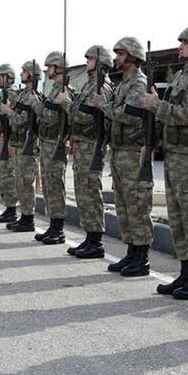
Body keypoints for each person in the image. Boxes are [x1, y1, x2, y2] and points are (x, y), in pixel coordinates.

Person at [143, 24, 188, 299]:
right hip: (176, 156)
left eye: (185, 42)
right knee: (179, 221)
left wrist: (156, 106)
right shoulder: (182, 76)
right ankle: (186, 274)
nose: (180, 46)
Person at [95, 37, 154, 273]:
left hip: (132, 152)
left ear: (132, 56)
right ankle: (131, 252)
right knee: (123, 205)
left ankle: (142, 257)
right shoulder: (124, 83)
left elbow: (130, 116)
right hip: (120, 152)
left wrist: (104, 106)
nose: (117, 58)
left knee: (137, 205)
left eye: (121, 54)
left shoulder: (139, 83)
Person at [60, 46, 114, 258]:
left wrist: (68, 105)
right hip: (82, 145)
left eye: (91, 58)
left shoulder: (103, 87)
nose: (87, 61)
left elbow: (87, 116)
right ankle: (89, 237)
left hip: (92, 145)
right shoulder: (89, 85)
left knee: (91, 191)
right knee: (83, 192)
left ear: (101, 63)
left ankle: (96, 241)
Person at [30, 51, 74, 244]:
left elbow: (51, 116)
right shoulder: (55, 89)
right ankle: (52, 225)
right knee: (48, 186)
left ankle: (58, 229)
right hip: (47, 143)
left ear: (59, 68)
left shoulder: (65, 90)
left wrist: (36, 106)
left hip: (56, 143)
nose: (47, 69)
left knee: (55, 185)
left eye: (50, 66)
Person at [2, 61, 42, 231]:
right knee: (20, 182)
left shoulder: (32, 95)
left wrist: (8, 112)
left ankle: (28, 219)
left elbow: (21, 121)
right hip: (19, 143)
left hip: (28, 144)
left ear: (31, 74)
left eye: (24, 71)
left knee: (26, 182)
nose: (21, 74)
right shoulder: (23, 94)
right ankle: (24, 216)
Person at [0, 64, 20, 221]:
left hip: (9, 140)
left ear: (8, 77)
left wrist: (12, 142)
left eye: (0, 76)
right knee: (3, 175)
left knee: (8, 175)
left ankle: (12, 209)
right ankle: (9, 207)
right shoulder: (2, 94)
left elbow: (16, 120)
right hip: (2, 139)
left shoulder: (12, 95)